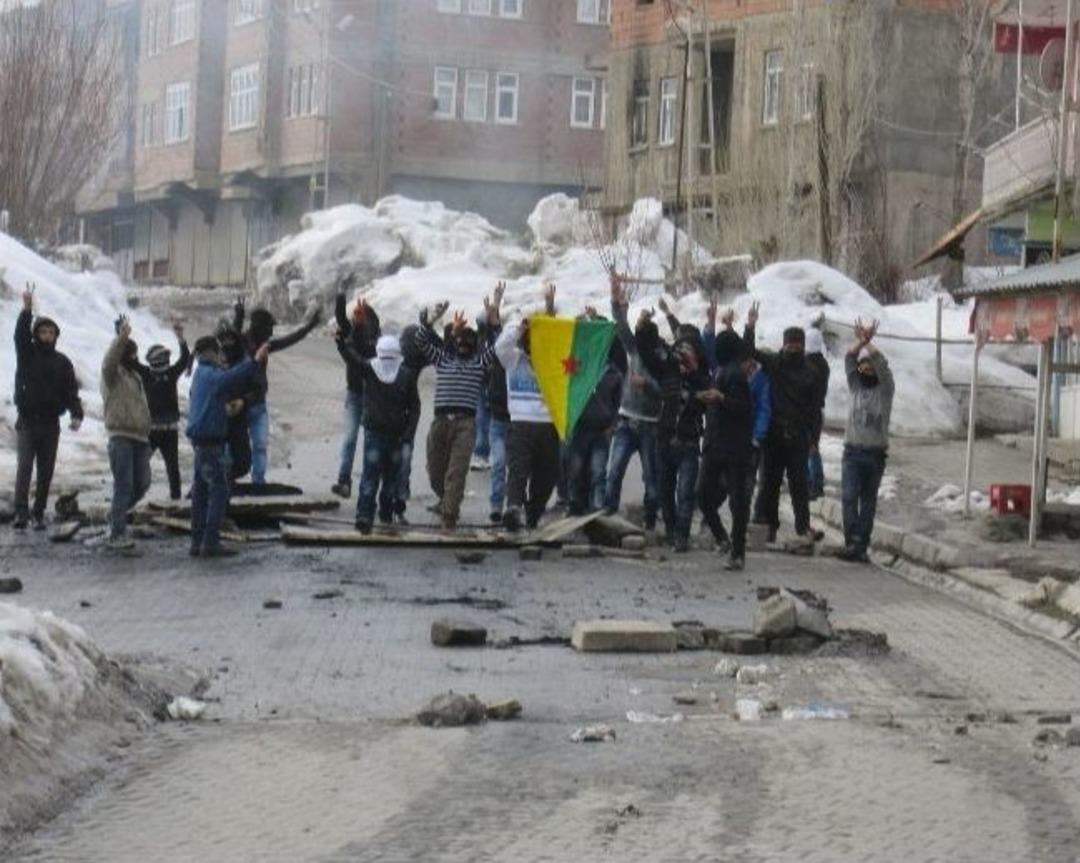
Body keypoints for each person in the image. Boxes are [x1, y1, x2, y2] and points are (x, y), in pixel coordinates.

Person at [414, 297, 499, 530]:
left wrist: (494, 321)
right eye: (459, 341)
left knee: (456, 471)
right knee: (434, 470)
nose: (462, 346)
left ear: (473, 347)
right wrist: (433, 321)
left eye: (467, 342)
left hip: (465, 424)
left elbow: (499, 346)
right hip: (440, 421)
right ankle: (446, 499)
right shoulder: (443, 359)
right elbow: (420, 339)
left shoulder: (479, 364)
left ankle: (449, 516)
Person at [744, 307, 822, 543]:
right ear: (784, 344)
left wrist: (814, 439)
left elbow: (816, 409)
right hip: (774, 435)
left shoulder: (811, 372)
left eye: (798, 345)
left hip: (798, 435)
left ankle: (803, 527)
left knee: (800, 485)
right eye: (790, 344)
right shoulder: (774, 363)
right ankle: (770, 526)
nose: (793, 348)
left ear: (803, 346)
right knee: (770, 483)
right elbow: (749, 351)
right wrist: (750, 326)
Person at [186, 336, 269, 557]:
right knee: (219, 490)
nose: (222, 356)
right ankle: (210, 542)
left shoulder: (199, 374)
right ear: (212, 353)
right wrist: (255, 361)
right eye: (219, 351)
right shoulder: (211, 375)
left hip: (200, 442)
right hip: (211, 443)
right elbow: (233, 378)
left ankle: (197, 541)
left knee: (201, 491)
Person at [636, 308, 709, 553]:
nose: (684, 354)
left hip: (689, 441)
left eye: (690, 351)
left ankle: (682, 536)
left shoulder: (703, 380)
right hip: (664, 438)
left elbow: (710, 404)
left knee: (685, 492)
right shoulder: (667, 371)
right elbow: (647, 353)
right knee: (665, 488)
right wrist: (643, 327)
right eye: (681, 350)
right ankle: (670, 530)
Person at [12, 283, 83, 529]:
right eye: (43, 332)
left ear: (56, 335)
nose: (47, 336)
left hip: (51, 424)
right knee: (24, 467)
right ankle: (21, 512)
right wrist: (27, 310)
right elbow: (19, 335)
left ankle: (39, 511)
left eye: (51, 332)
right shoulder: (27, 353)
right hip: (28, 422)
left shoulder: (63, 362)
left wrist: (77, 414)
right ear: (36, 334)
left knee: (46, 471)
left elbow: (71, 392)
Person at [336, 333, 421, 534]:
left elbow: (353, 359)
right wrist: (342, 345)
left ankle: (379, 513)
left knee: (377, 477)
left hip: (389, 436)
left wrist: (342, 344)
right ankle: (367, 515)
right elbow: (415, 408)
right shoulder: (397, 373)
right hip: (383, 435)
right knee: (376, 477)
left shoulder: (378, 370)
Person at [494, 284, 562, 532]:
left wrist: (549, 309)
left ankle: (533, 513)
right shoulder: (513, 359)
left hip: (548, 425)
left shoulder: (552, 359)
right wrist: (519, 326)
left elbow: (562, 339)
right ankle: (513, 508)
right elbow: (500, 346)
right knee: (518, 470)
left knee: (547, 475)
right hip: (521, 422)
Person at [234, 298, 321, 486]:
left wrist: (310, 326)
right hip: (240, 406)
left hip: (258, 405)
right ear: (258, 327)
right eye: (269, 328)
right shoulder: (242, 342)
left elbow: (290, 339)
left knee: (260, 446)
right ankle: (226, 480)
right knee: (233, 449)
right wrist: (238, 318)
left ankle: (258, 483)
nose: (271, 332)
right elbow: (232, 338)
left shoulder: (266, 345)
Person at [605, 277, 662, 528]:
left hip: (650, 424)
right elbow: (621, 328)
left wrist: (647, 385)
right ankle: (607, 516)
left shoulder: (662, 357)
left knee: (651, 476)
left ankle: (650, 519)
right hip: (627, 420)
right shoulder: (636, 350)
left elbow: (668, 391)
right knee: (614, 470)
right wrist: (616, 303)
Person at [698, 328, 755, 570]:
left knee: (737, 502)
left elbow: (744, 409)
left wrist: (722, 399)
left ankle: (737, 552)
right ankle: (723, 538)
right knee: (703, 496)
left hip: (734, 449)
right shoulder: (720, 371)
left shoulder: (736, 375)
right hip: (715, 445)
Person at [840, 319, 894, 563]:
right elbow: (849, 360)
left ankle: (862, 542)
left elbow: (883, 366)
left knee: (868, 500)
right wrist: (860, 342)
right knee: (849, 496)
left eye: (871, 369)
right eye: (864, 369)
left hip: (874, 454)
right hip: (852, 451)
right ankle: (851, 541)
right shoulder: (855, 387)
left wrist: (869, 345)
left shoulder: (884, 392)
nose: (867, 371)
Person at [101, 316, 153, 550]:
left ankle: (115, 515)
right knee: (124, 484)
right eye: (129, 353)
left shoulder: (136, 377)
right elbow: (109, 360)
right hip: (120, 436)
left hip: (140, 438)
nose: (134, 357)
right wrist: (121, 338)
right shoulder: (113, 376)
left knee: (142, 483)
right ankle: (117, 533)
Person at [567, 324, 622, 516]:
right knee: (576, 470)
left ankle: (597, 507)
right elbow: (563, 372)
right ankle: (575, 504)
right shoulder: (581, 365)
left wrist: (613, 426)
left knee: (598, 471)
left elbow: (617, 403)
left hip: (602, 430)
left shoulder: (614, 374)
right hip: (580, 427)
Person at [332, 281, 381, 499]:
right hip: (354, 394)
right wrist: (341, 297)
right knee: (350, 438)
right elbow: (342, 320)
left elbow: (363, 354)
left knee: (371, 442)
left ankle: (369, 486)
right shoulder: (353, 331)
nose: (355, 318)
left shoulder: (375, 339)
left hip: (372, 396)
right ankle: (344, 480)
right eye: (355, 315)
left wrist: (361, 326)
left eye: (359, 315)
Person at [136, 323, 191, 500]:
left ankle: (176, 500)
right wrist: (120, 338)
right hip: (151, 430)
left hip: (169, 430)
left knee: (173, 468)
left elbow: (185, 359)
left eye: (165, 358)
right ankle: (133, 496)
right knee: (140, 464)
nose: (164, 362)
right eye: (160, 358)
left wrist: (181, 338)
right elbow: (128, 360)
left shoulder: (171, 373)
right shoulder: (146, 374)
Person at [805, 327, 830, 501]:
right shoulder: (824, 364)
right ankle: (815, 484)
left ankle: (814, 485)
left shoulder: (806, 365)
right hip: (817, 411)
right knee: (813, 447)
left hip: (807, 411)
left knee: (809, 449)